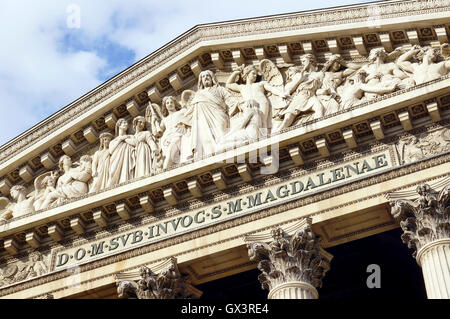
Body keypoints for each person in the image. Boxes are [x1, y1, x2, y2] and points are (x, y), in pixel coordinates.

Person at [184, 70, 232, 159]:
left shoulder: (219, 89)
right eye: (203, 76)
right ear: (201, 81)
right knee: (205, 139)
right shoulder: (198, 94)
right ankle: (206, 153)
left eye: (208, 76)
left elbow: (229, 99)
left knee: (222, 132)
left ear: (212, 78)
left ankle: (224, 150)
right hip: (203, 120)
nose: (205, 77)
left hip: (219, 115)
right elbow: (191, 111)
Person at [226, 64, 288, 129]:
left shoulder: (261, 83)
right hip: (249, 105)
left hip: (262, 102)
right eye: (253, 73)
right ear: (247, 74)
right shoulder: (241, 87)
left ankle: (264, 136)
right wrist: (236, 72)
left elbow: (271, 88)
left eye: (256, 74)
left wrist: (280, 93)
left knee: (263, 121)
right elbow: (228, 84)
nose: (255, 75)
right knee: (251, 123)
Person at [157, 96, 188, 169]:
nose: (170, 104)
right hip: (166, 139)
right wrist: (153, 121)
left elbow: (189, 117)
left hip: (178, 134)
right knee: (170, 154)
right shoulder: (164, 120)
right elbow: (158, 133)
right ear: (165, 106)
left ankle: (164, 170)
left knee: (170, 152)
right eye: (167, 103)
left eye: (171, 102)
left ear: (175, 103)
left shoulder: (181, 112)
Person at [109, 118, 136, 186]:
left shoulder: (130, 136)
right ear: (119, 125)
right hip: (116, 159)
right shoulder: (113, 141)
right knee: (112, 172)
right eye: (124, 123)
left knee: (125, 171)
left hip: (127, 158)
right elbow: (111, 151)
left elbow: (134, 143)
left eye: (126, 123)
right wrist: (120, 139)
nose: (126, 124)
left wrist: (125, 138)